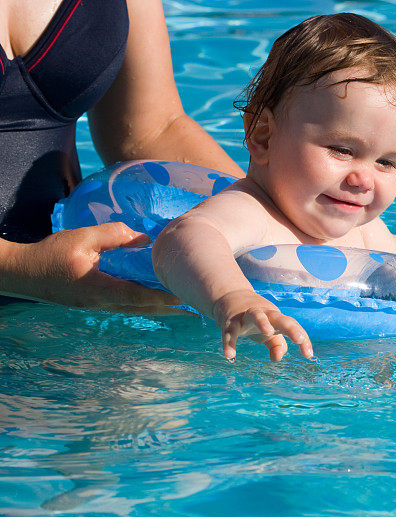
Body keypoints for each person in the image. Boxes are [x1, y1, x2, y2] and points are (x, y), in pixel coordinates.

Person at [152, 13, 396, 363]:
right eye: (343, 150)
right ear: (263, 135)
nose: (364, 179)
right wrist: (231, 298)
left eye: (386, 162)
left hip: (347, 359)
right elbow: (185, 237)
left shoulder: (364, 231)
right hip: (233, 357)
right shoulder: (250, 211)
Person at [0, 0, 244, 312]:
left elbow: (152, 130)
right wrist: (15, 267)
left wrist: (261, 212)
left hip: (73, 302)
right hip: (61, 291)